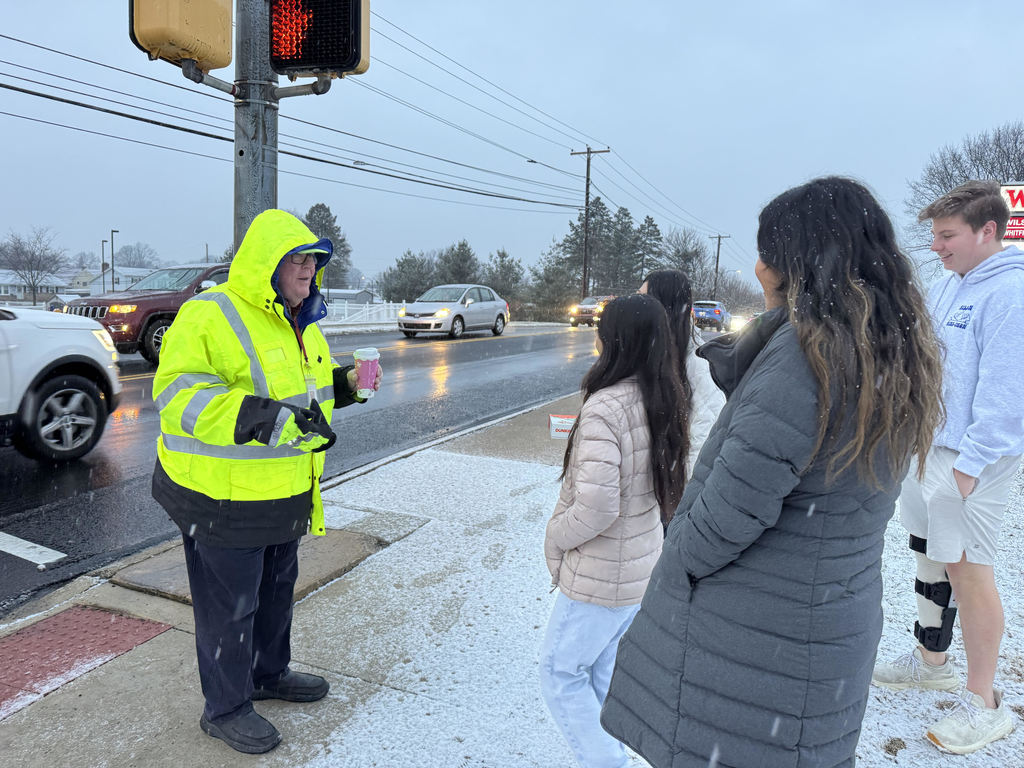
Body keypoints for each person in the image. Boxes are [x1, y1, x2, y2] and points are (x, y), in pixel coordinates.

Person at [600, 177, 944, 768]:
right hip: (826, 619)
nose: (757, 268)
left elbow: (729, 511)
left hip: (754, 641)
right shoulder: (890, 349)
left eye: (767, 254)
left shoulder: (805, 357)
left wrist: (678, 561)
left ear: (800, 262)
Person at [151, 209, 382, 754]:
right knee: (229, 608)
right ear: (266, 266)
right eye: (297, 260)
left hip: (285, 491)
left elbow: (307, 395)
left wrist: (346, 385)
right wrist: (262, 418)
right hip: (220, 496)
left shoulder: (303, 322)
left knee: (276, 594)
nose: (308, 271)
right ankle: (225, 708)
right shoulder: (211, 314)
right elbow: (178, 395)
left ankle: (267, 674)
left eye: (314, 262)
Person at [871, 180, 1024, 754]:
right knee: (928, 552)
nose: (936, 246)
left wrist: (973, 463)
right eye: (934, 235)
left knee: (969, 570)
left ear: (989, 231)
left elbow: (1009, 392)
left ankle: (983, 702)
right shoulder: (945, 285)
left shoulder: (1011, 293)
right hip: (926, 447)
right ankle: (931, 659)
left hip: (970, 459)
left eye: (947, 235)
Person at [541, 294, 690, 768]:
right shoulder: (662, 396)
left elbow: (598, 505)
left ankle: (607, 762)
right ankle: (616, 754)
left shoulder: (608, 406)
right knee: (602, 669)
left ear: (613, 341)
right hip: (638, 568)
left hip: (600, 575)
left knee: (560, 674)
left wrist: (555, 536)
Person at [639, 269, 725, 479]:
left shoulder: (698, 363)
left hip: (668, 490)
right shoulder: (647, 352)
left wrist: (679, 499)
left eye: (643, 298)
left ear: (663, 307)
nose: (636, 305)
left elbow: (703, 441)